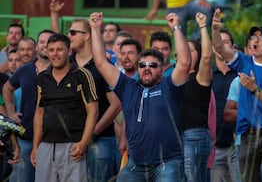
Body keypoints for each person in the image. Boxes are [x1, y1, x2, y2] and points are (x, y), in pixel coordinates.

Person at [89, 11, 191, 181]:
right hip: (136, 164)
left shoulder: (170, 87)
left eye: (153, 65)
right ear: (138, 68)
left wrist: (176, 28)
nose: (147, 68)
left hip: (167, 163)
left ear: (162, 69)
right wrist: (95, 29)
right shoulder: (127, 87)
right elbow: (100, 62)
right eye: (142, 65)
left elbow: (185, 62)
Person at [211, 8, 262, 182]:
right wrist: (215, 30)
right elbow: (219, 48)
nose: (255, 41)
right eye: (253, 37)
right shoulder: (244, 61)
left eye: (261, 38)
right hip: (247, 135)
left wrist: (254, 88)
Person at [30, 33, 98, 182]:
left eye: (59, 49)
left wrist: (83, 142)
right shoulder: (42, 78)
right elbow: (39, 113)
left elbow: (93, 111)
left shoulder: (82, 75)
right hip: (46, 146)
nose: (55, 54)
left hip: (73, 146)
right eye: (51, 50)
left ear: (69, 51)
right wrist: (36, 146)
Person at [67, 19, 121, 182]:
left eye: (73, 32)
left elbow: (116, 104)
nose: (69, 36)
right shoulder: (66, 65)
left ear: (87, 36)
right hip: (70, 140)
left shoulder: (103, 65)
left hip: (101, 139)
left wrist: (92, 132)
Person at [3, 30, 55, 182]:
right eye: (42, 42)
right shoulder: (25, 70)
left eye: (48, 42)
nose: (45, 45)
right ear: (37, 47)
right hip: (25, 137)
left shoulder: (60, 70)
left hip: (52, 139)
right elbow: (7, 88)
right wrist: (11, 113)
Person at [181, 12, 213, 181]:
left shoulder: (200, 77)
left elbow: (208, 56)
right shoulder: (174, 77)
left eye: (190, 50)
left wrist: (202, 26)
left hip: (194, 135)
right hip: (176, 137)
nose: (186, 52)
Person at [210, 29, 240, 182]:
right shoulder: (205, 76)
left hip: (240, 144)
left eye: (226, 42)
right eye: (218, 41)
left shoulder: (242, 75)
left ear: (233, 47)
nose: (221, 45)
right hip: (214, 147)